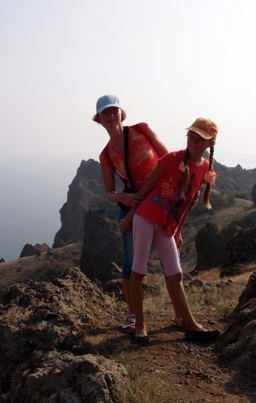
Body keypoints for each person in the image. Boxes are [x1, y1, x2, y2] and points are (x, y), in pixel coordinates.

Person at [125, 117, 221, 343]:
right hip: (146, 217)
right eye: (191, 136)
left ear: (210, 143)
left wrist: (178, 231)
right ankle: (140, 326)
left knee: (175, 274)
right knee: (138, 271)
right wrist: (130, 216)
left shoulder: (205, 169)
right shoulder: (171, 159)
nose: (193, 141)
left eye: (199, 139)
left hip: (167, 225)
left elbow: (187, 204)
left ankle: (190, 324)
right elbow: (145, 190)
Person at [94, 94, 168, 330]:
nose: (111, 115)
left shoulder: (141, 130)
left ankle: (180, 314)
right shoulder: (106, 155)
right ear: (99, 119)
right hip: (131, 203)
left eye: (114, 110)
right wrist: (120, 197)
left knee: (169, 255)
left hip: (159, 199)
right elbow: (109, 192)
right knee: (130, 261)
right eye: (105, 112)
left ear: (121, 113)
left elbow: (167, 158)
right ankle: (133, 315)